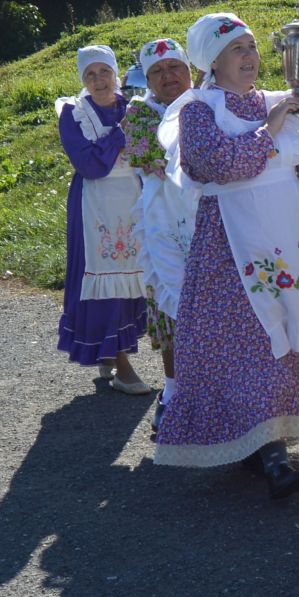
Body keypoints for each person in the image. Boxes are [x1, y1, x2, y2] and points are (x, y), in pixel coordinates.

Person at [149, 13, 299, 497]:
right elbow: (217, 165)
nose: (249, 56)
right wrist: (268, 130)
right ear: (212, 59)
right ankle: (268, 452)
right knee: (249, 339)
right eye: (237, 49)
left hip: (288, 238)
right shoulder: (199, 111)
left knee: (290, 329)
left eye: (253, 46)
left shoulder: (280, 100)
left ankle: (275, 435)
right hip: (231, 244)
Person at [55, 44, 153, 394]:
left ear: (115, 74)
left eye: (105, 72)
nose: (99, 80)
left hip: (134, 199)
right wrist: (120, 134)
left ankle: (109, 354)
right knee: (104, 278)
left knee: (133, 277)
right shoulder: (73, 113)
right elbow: (91, 165)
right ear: (83, 79)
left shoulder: (134, 105)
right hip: (95, 205)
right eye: (90, 74)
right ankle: (120, 362)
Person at [121, 37, 194, 427]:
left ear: (189, 70)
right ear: (147, 80)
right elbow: (160, 160)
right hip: (163, 223)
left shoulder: (207, 101)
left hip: (211, 219)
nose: (169, 76)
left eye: (175, 67)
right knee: (171, 310)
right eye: (157, 72)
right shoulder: (140, 113)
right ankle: (172, 391)